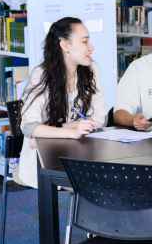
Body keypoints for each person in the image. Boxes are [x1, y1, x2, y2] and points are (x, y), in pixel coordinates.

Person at [18, 17, 106, 188]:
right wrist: (71, 131)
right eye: (84, 42)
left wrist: (65, 128)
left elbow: (99, 117)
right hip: (43, 159)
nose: (91, 48)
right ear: (65, 45)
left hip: (80, 152)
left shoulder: (91, 71)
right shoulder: (41, 75)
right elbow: (28, 127)